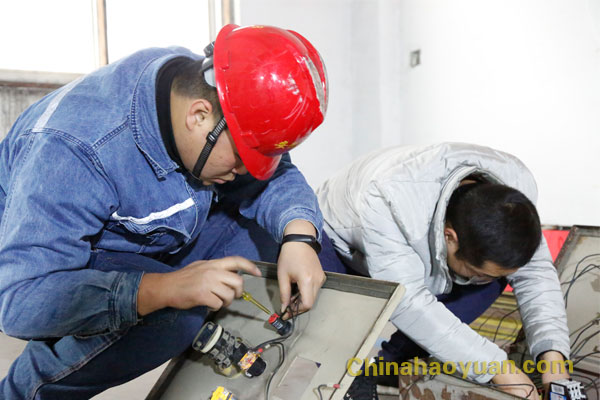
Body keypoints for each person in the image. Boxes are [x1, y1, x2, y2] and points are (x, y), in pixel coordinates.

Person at [0, 24, 329, 399]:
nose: (245, 171)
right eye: (242, 158)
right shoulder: (73, 151)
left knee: (281, 241)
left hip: (153, 230)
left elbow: (272, 179)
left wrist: (300, 236)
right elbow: (21, 302)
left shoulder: (197, 93)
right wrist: (163, 289)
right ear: (199, 117)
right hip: (52, 263)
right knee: (175, 316)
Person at [316, 142, 570, 400]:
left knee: (491, 281)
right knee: (327, 327)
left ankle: (387, 368)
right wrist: (498, 369)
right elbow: (407, 301)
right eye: (477, 271)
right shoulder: (391, 198)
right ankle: (343, 381)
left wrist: (554, 363)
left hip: (414, 239)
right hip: (337, 234)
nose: (484, 278)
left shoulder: (514, 196)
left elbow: (535, 275)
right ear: (450, 237)